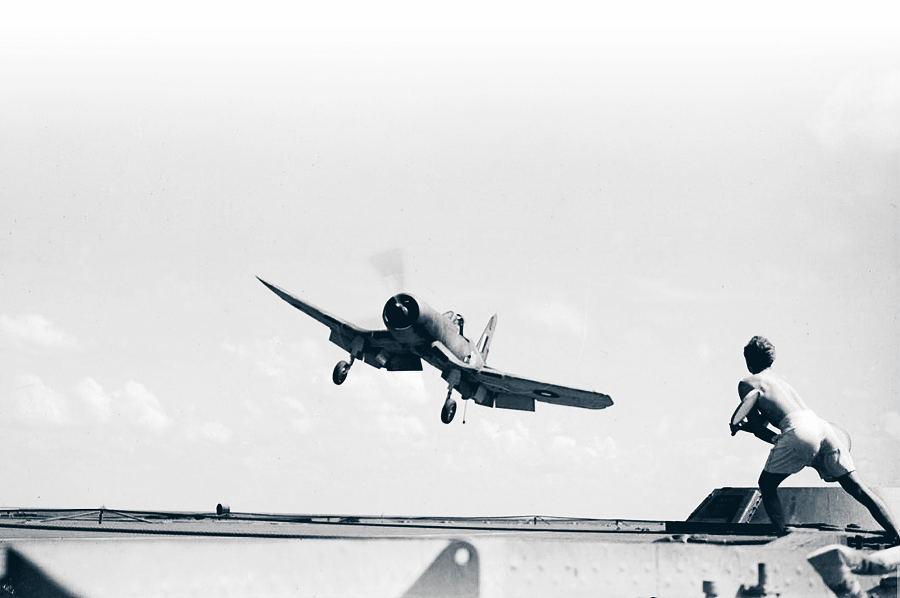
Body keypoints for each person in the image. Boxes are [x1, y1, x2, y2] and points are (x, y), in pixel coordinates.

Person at [730, 336, 899, 541]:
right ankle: (896, 534)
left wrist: (740, 427)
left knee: (766, 485)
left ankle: (783, 537)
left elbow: (761, 430)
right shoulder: (780, 378)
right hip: (821, 427)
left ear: (749, 360)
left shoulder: (745, 383)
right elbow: (771, 418)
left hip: (797, 430)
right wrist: (756, 430)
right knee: (860, 490)